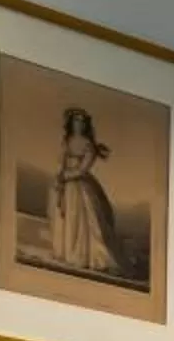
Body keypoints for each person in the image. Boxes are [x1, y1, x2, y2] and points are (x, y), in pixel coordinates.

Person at [47, 106, 125, 277]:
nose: (78, 125)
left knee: (81, 219)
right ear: (71, 123)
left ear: (86, 125)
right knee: (64, 216)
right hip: (65, 184)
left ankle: (81, 256)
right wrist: (60, 176)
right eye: (76, 122)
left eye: (82, 123)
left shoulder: (89, 146)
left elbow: (83, 170)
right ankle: (66, 252)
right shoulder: (66, 141)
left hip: (79, 184)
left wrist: (67, 176)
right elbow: (60, 160)